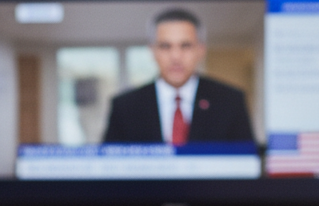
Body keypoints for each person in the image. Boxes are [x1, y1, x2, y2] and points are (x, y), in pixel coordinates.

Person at [102, 8, 255, 146]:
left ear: (201, 50)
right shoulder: (124, 106)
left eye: (185, 46)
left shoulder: (230, 101)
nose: (176, 57)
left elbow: (248, 164)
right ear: (152, 51)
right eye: (165, 46)